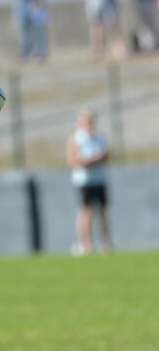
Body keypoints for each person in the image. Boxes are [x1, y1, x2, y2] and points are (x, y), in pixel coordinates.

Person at [66, 109, 112, 255]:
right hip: (83, 181)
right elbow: (72, 161)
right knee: (85, 212)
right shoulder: (76, 139)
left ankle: (105, 244)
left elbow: (106, 156)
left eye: (90, 121)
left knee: (102, 212)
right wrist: (90, 160)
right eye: (85, 121)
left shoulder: (99, 137)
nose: (88, 125)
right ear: (78, 123)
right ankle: (85, 244)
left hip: (99, 179)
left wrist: (99, 158)